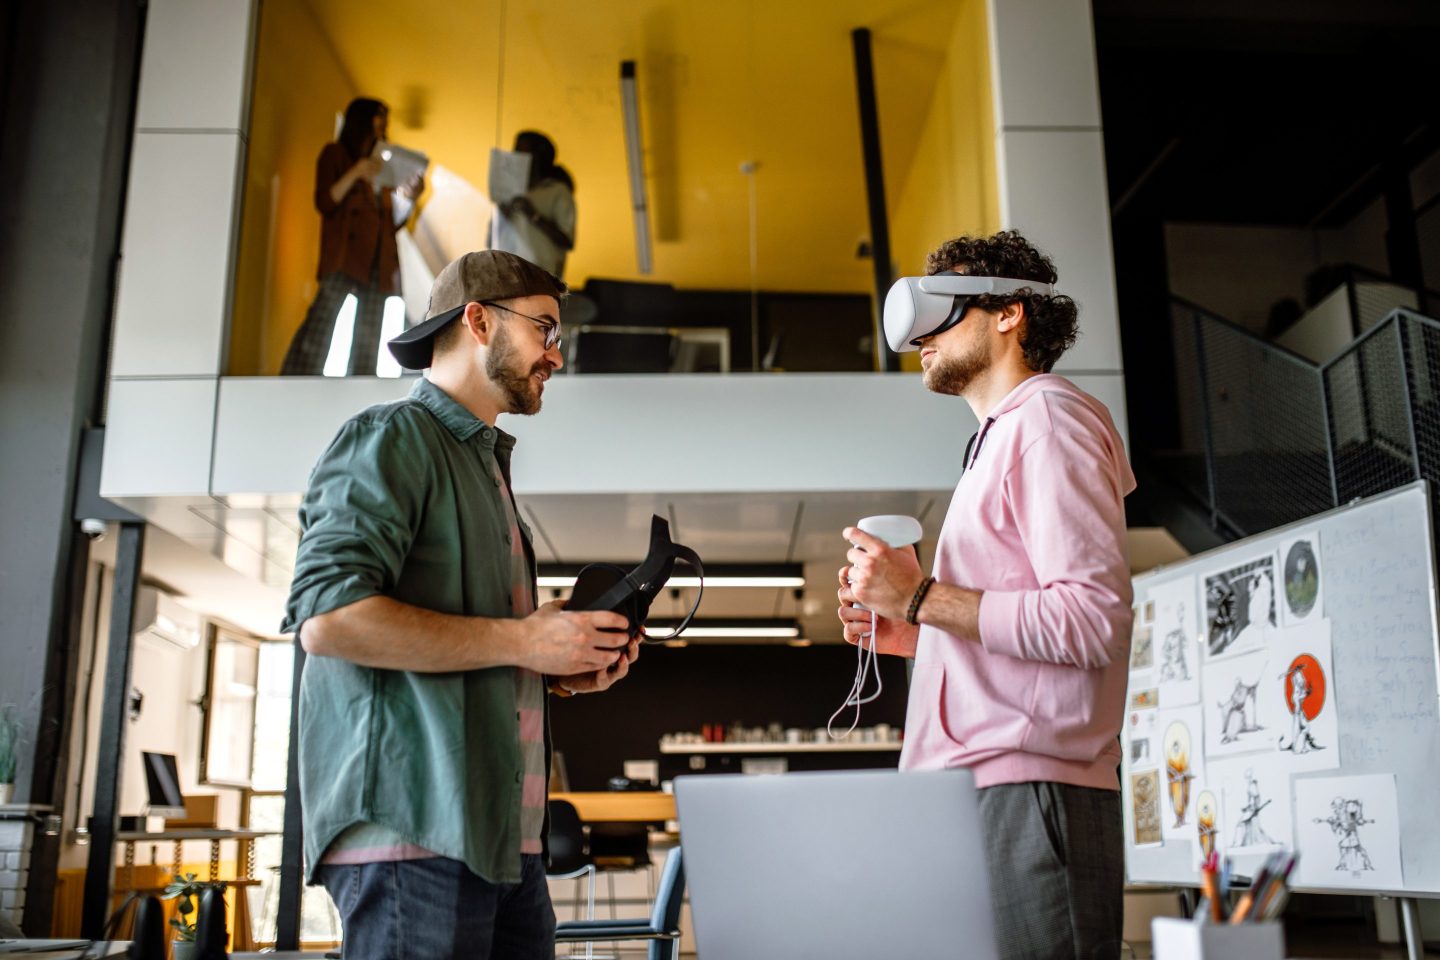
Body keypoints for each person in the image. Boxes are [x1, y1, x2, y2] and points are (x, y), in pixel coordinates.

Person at [281, 249, 640, 959]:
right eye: (545, 329)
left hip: (506, 843)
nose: (555, 356)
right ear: (478, 321)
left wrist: (555, 666)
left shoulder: (484, 467)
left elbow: (487, 644)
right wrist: (523, 645)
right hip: (416, 836)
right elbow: (327, 619)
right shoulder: (393, 438)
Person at [837, 231, 1135, 960]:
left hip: (1030, 788)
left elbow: (1093, 622)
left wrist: (921, 598)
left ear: (1011, 313)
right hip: (980, 788)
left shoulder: (1048, 421)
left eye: (944, 308)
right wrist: (918, 630)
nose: (920, 338)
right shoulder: (1000, 439)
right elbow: (1020, 623)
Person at [280, 97, 424, 376]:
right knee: (321, 324)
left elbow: (390, 220)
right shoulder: (335, 154)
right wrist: (357, 172)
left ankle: (360, 382)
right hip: (345, 256)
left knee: (369, 333)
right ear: (362, 119)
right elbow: (325, 201)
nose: (383, 125)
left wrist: (410, 198)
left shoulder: (382, 165)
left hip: (378, 261)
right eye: (378, 117)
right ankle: (296, 379)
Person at [490, 131, 576, 279]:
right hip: (506, 276)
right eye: (514, 150)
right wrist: (501, 216)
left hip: (541, 279)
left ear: (538, 157)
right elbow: (490, 241)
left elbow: (567, 241)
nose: (515, 156)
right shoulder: (508, 193)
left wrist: (533, 215)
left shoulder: (557, 191)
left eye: (520, 151)